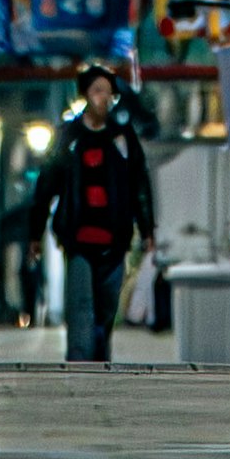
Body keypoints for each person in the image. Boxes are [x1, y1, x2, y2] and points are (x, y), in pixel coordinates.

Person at [34, 69, 154, 363]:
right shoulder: (69, 138)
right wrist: (33, 232)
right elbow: (46, 184)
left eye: (108, 92)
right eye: (98, 91)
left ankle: (100, 360)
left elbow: (139, 185)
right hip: (78, 239)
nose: (104, 98)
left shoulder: (122, 139)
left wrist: (147, 229)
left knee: (106, 306)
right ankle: (79, 361)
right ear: (86, 95)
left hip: (114, 239)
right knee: (81, 305)